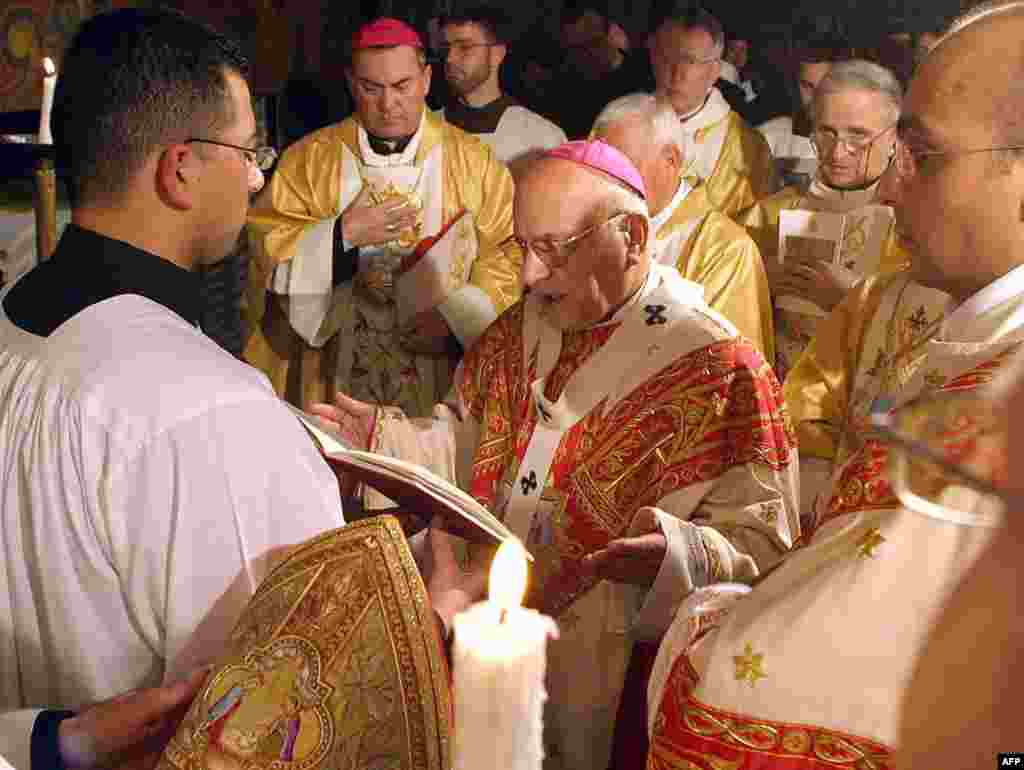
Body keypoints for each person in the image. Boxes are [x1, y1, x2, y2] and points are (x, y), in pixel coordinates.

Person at [0, 8, 486, 768]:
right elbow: (292, 721)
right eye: (247, 150)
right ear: (181, 167)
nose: (259, 175)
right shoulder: (214, 412)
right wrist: (431, 622)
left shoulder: (10, 331)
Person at [312, 139, 800, 770]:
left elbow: (766, 548)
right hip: (479, 627)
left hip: (606, 673)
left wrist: (677, 553)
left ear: (633, 235)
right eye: (523, 246)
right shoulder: (520, 327)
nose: (528, 277)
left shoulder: (722, 371)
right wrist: (385, 439)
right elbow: (469, 440)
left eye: (553, 249)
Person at [643, 3, 1024, 766]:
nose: (889, 188)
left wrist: (707, 620)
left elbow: (780, 678)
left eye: (922, 153)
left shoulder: (998, 413)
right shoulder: (977, 341)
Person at [245, 18, 521, 416]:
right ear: (350, 82)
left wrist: (454, 320)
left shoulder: (475, 163)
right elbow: (265, 247)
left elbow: (506, 254)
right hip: (333, 373)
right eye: (371, 88)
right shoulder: (309, 161)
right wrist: (341, 235)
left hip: (436, 373)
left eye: (401, 86)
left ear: (426, 79)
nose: (387, 103)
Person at [743, 60, 917, 384]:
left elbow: (930, 333)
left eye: (858, 137)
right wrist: (756, 282)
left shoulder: (915, 224)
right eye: (827, 133)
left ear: (894, 137)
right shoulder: (765, 217)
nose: (838, 153)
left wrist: (856, 301)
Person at [592, 93, 774, 360]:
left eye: (625, 167)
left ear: (671, 160)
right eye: (602, 168)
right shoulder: (591, 226)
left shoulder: (725, 250)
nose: (611, 183)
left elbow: (729, 370)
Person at [648, 5, 776, 218]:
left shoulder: (749, 149)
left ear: (715, 70)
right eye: (668, 56)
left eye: (690, 61)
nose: (677, 73)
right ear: (653, 58)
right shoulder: (621, 122)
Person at [437, 5, 566, 170]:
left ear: (497, 54)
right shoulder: (420, 131)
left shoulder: (542, 138)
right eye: (446, 48)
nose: (450, 58)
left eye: (465, 47)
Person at [552, 1, 655, 139]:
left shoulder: (646, 77)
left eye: (592, 44)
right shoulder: (568, 90)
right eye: (576, 49)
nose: (586, 55)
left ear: (613, 34)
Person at [757, 45, 847, 182]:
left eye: (824, 87)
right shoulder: (772, 134)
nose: (816, 97)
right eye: (807, 86)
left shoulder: (855, 143)